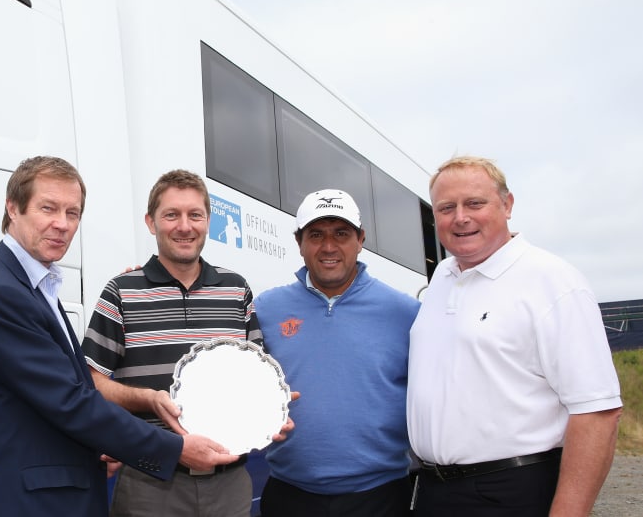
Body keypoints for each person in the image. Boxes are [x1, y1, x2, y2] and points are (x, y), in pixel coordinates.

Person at [0, 157, 238, 517]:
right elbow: (69, 401)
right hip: (21, 499)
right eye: (48, 208)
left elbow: (68, 393)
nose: (62, 224)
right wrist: (172, 448)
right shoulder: (0, 293)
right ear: (13, 207)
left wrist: (105, 442)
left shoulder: (33, 286)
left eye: (73, 213)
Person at [407, 155, 622, 517]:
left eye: (475, 203)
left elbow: (597, 412)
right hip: (432, 491)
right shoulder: (443, 276)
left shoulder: (553, 282)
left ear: (507, 205)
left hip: (512, 493)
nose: (461, 217)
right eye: (447, 207)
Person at [82, 169, 277, 517]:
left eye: (195, 215)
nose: (184, 226)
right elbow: (90, 381)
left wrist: (272, 410)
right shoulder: (120, 292)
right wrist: (147, 400)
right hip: (149, 483)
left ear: (208, 222)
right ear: (151, 222)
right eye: (171, 215)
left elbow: (256, 377)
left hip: (229, 485)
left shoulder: (236, 290)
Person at [253, 189, 420, 517]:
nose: (328, 247)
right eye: (316, 235)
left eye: (341, 234)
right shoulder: (265, 309)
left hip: (381, 497)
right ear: (299, 242)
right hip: (290, 495)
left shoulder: (406, 312)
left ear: (360, 239)